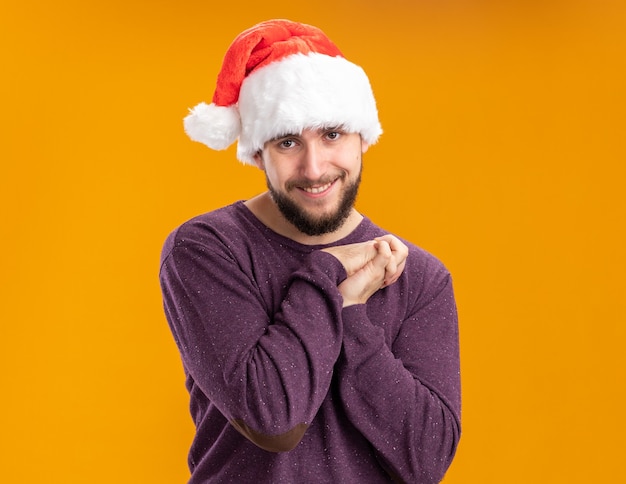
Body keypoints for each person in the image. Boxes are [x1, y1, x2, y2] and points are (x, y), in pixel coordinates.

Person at [159, 19, 461, 484]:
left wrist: (353, 312)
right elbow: (272, 417)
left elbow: (426, 460)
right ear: (258, 153)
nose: (314, 166)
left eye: (333, 135)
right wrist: (326, 271)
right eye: (288, 142)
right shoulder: (207, 250)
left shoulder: (419, 276)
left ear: (364, 138)